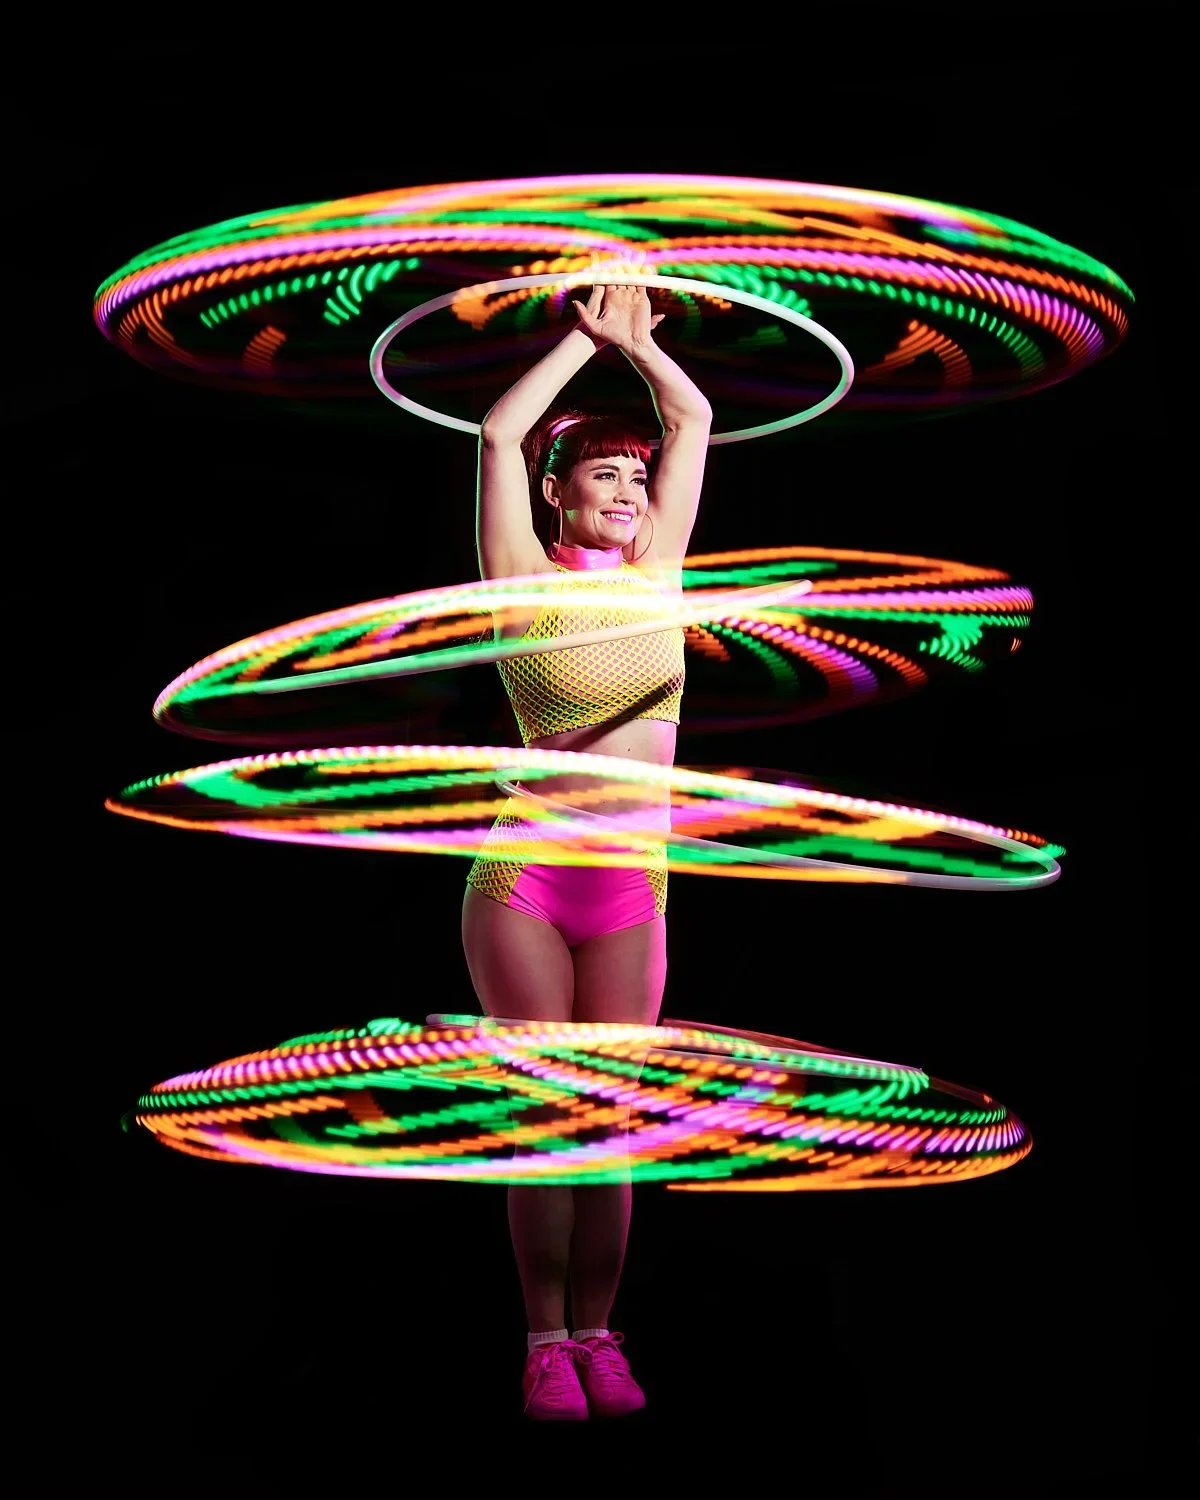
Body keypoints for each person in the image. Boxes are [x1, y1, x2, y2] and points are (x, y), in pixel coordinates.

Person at [460, 283, 713, 1420]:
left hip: (631, 893)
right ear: (557, 497)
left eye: (637, 477)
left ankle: (601, 1338)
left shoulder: (663, 575)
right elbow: (502, 433)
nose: (631, 489)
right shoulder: (520, 581)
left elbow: (692, 424)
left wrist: (640, 344)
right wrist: (581, 337)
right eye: (604, 474)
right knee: (544, 1120)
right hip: (525, 882)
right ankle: (541, 1341)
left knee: (607, 1123)